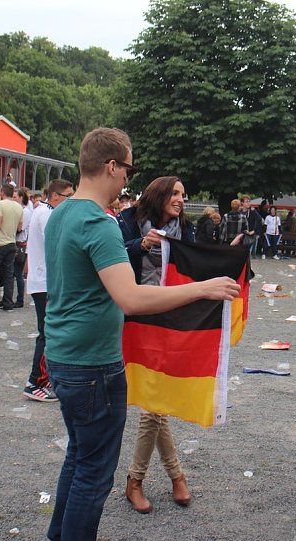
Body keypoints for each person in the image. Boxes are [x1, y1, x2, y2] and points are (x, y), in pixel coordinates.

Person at [44, 127, 239, 541]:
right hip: (92, 363)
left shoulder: (61, 214)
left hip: (63, 353)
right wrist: (202, 289)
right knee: (93, 469)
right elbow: (130, 297)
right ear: (112, 166)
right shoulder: (100, 223)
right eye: (128, 168)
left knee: (80, 456)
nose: (127, 178)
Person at [117, 175, 196, 513]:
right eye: (175, 193)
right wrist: (141, 245)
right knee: (155, 400)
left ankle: (146, 480)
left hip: (171, 316)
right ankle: (156, 478)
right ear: (160, 194)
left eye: (182, 194)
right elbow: (112, 258)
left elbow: (194, 266)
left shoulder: (185, 229)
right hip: (137, 315)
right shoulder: (129, 221)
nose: (181, 199)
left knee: (156, 399)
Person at [23, 179, 73, 403]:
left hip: (43, 280)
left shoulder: (43, 210)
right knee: (48, 332)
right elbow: (59, 244)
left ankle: (47, 378)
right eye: (68, 196)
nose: (70, 200)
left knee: (49, 331)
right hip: (45, 282)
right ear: (55, 196)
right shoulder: (47, 214)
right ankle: (36, 382)